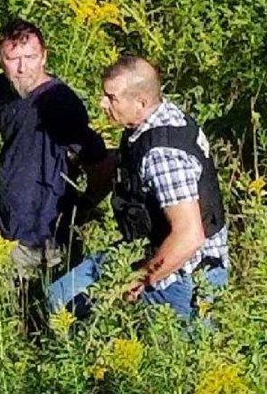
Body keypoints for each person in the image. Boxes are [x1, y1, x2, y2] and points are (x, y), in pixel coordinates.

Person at [48, 56, 230, 318]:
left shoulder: (163, 154)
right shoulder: (152, 121)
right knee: (60, 299)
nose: (102, 104)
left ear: (141, 102)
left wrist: (137, 280)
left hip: (186, 278)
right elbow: (128, 167)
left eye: (112, 98)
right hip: (148, 250)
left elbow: (189, 235)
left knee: (74, 314)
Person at [0, 18, 110, 280]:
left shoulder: (60, 103)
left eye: (31, 57)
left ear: (44, 57)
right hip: (1, 219)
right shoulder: (1, 90)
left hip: (40, 231)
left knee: (35, 308)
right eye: (12, 58)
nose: (22, 68)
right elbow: (13, 142)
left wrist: (86, 204)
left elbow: (99, 162)